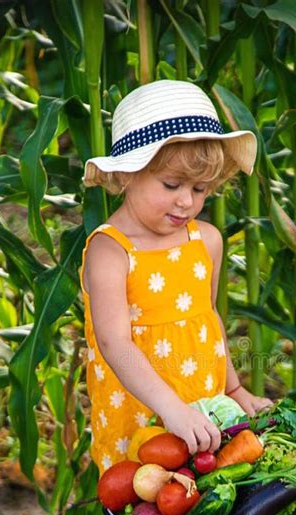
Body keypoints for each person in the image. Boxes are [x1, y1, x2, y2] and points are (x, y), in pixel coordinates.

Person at [81, 79, 273, 473]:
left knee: (202, 500)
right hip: (140, 411)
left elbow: (208, 319)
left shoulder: (206, 240)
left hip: (202, 406)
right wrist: (172, 411)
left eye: (200, 189)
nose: (187, 201)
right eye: (171, 185)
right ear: (129, 174)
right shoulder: (111, 250)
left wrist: (233, 389)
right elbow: (114, 343)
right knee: (141, 499)